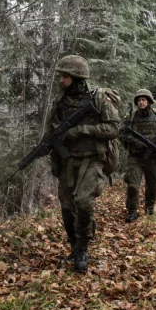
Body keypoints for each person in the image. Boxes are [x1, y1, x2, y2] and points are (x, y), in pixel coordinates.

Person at [48, 55, 120, 273]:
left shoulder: (98, 99)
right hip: (68, 160)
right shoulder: (61, 102)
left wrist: (82, 130)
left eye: (66, 76)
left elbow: (114, 128)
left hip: (92, 159)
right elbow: (52, 130)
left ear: (78, 78)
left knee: (83, 202)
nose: (61, 80)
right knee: (67, 208)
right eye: (61, 76)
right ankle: (74, 242)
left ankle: (82, 249)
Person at [121, 89, 156, 223]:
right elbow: (122, 133)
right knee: (132, 184)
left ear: (149, 101)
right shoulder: (131, 116)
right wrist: (135, 142)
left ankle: (149, 207)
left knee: (153, 184)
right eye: (139, 100)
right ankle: (132, 211)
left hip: (153, 157)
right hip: (135, 156)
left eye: (143, 99)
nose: (141, 102)